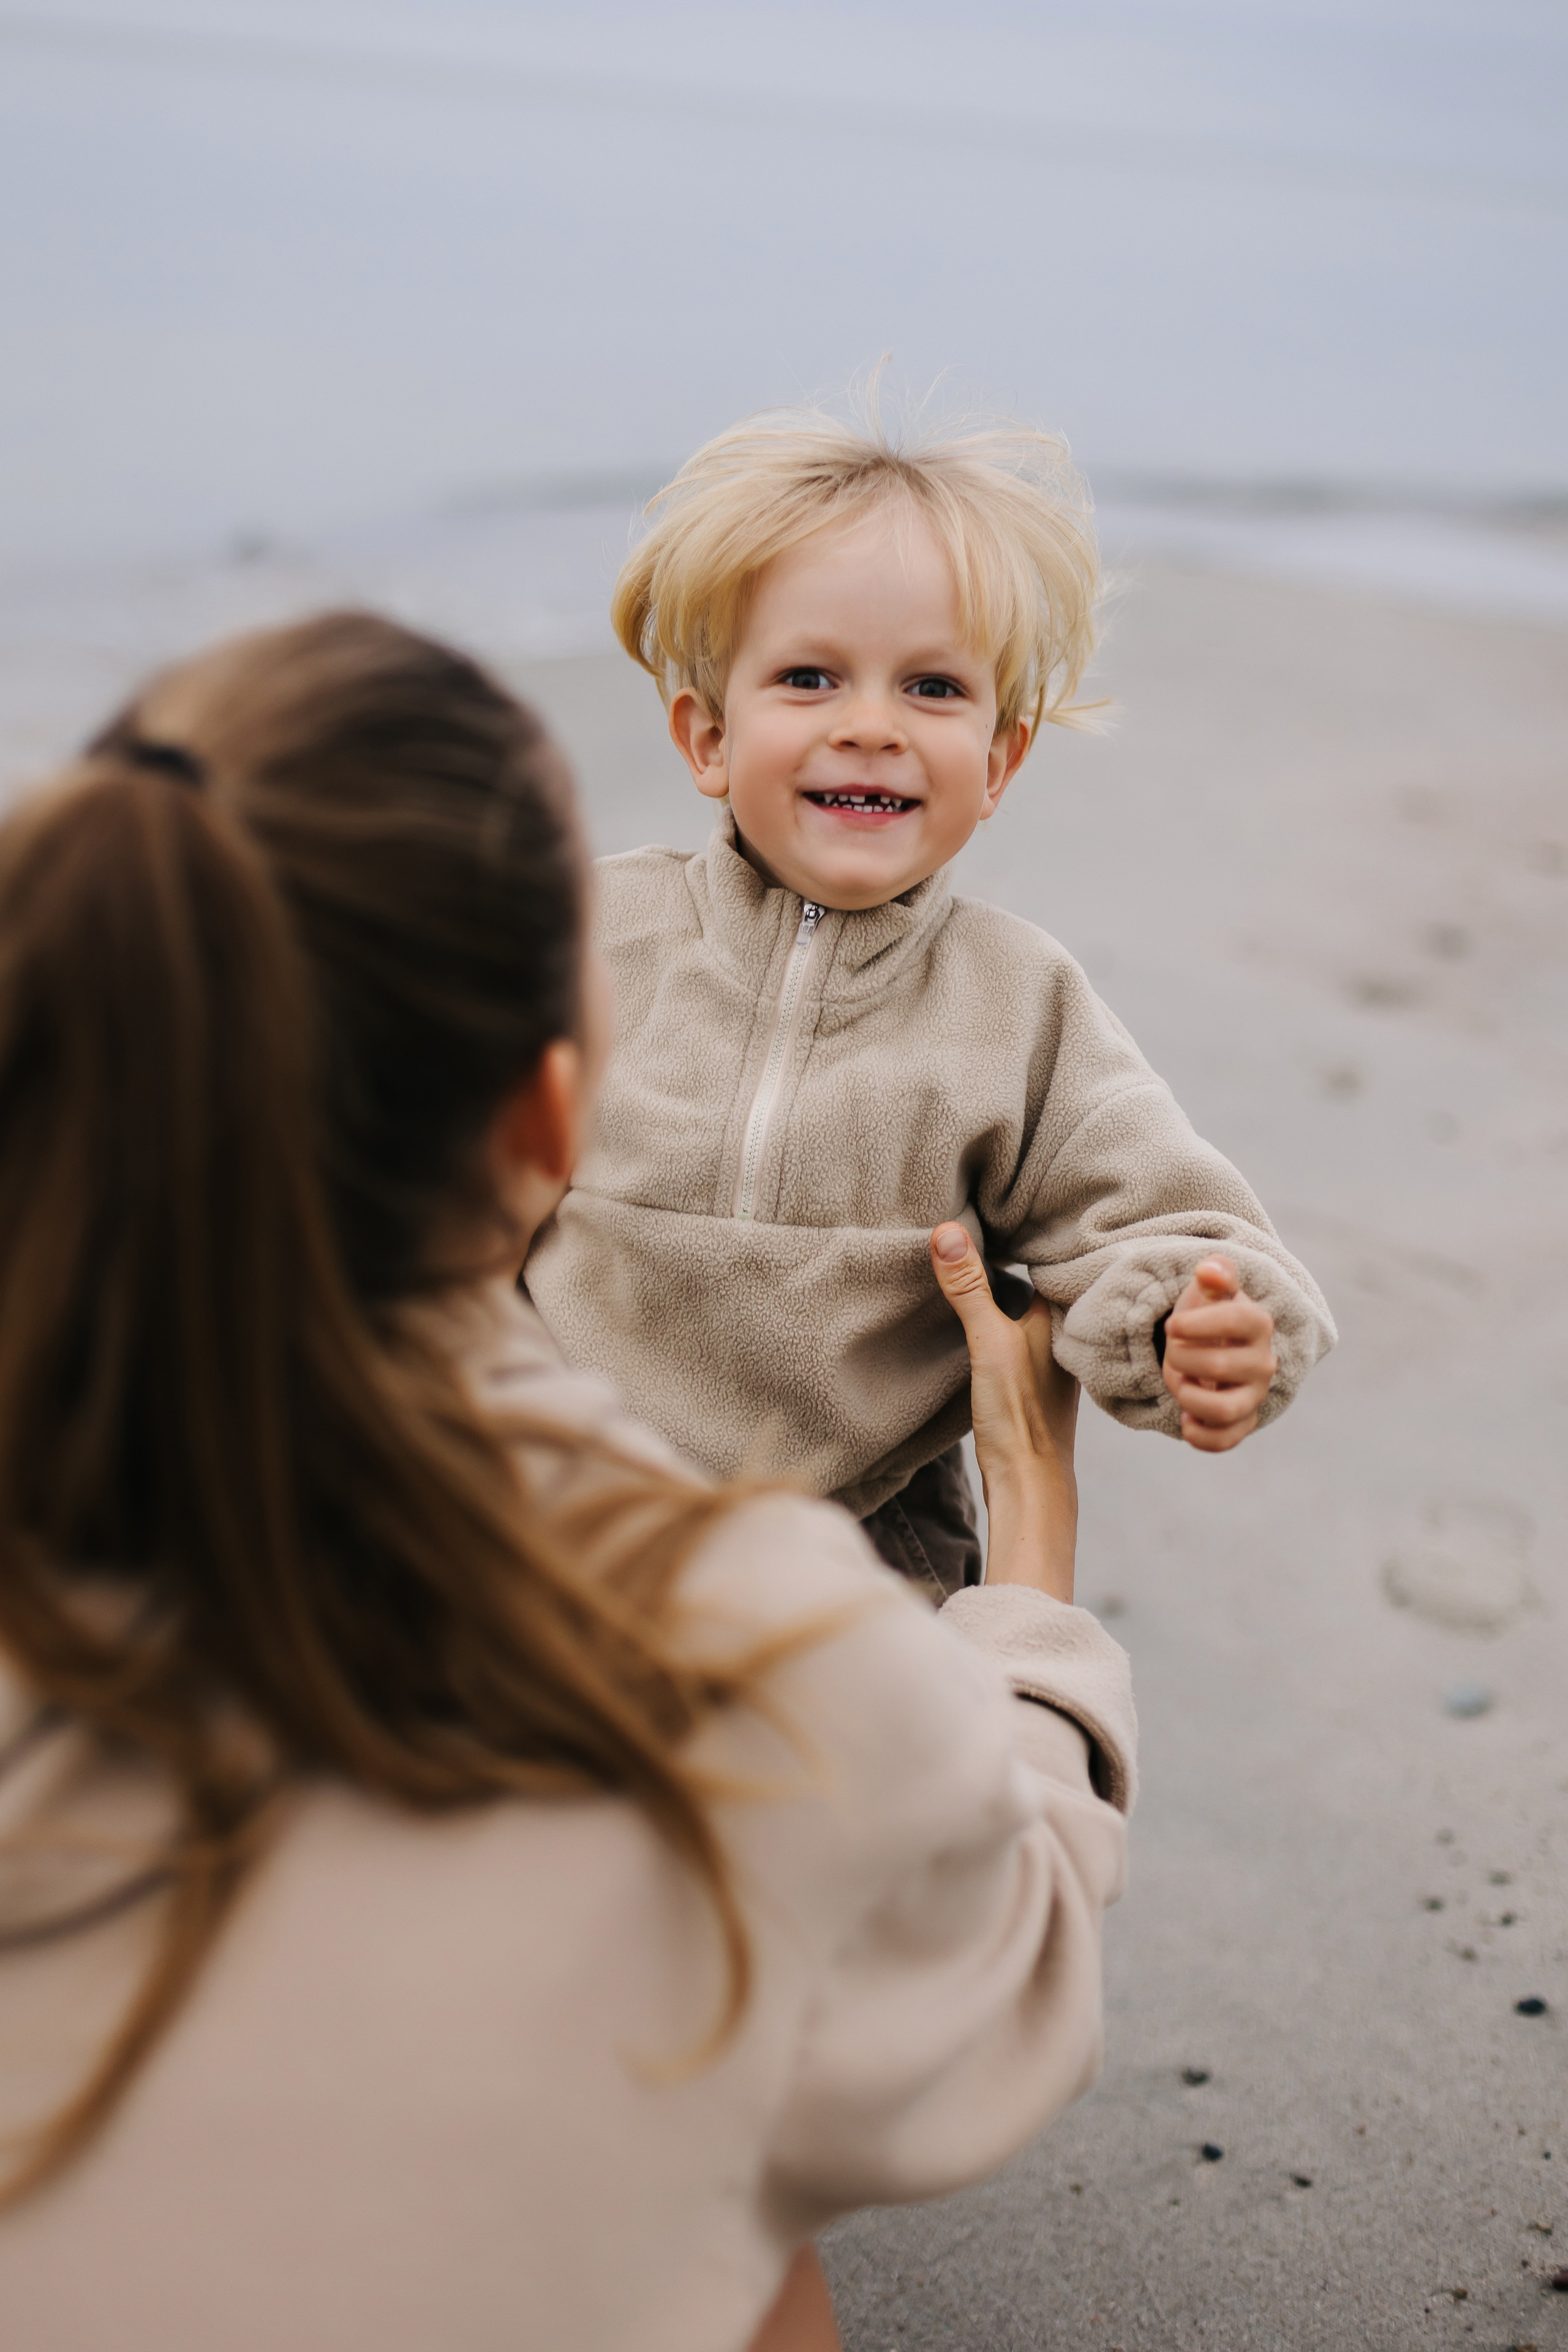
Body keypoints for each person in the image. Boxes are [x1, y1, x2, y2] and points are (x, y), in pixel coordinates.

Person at [0, 612, 1136, 2352]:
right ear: (550, 1123)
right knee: (760, 2245)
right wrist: (1032, 1578)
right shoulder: (753, 1642)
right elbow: (1001, 1988)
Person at [526, 403, 1336, 1597]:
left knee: (872, 1771)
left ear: (998, 761)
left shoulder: (1015, 1005)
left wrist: (1194, 1322)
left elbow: (1148, 1212)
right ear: (706, 737)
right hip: (535, 1493)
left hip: (853, 1540)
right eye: (808, 677)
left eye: (931, 688)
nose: (869, 726)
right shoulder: (588, 937)